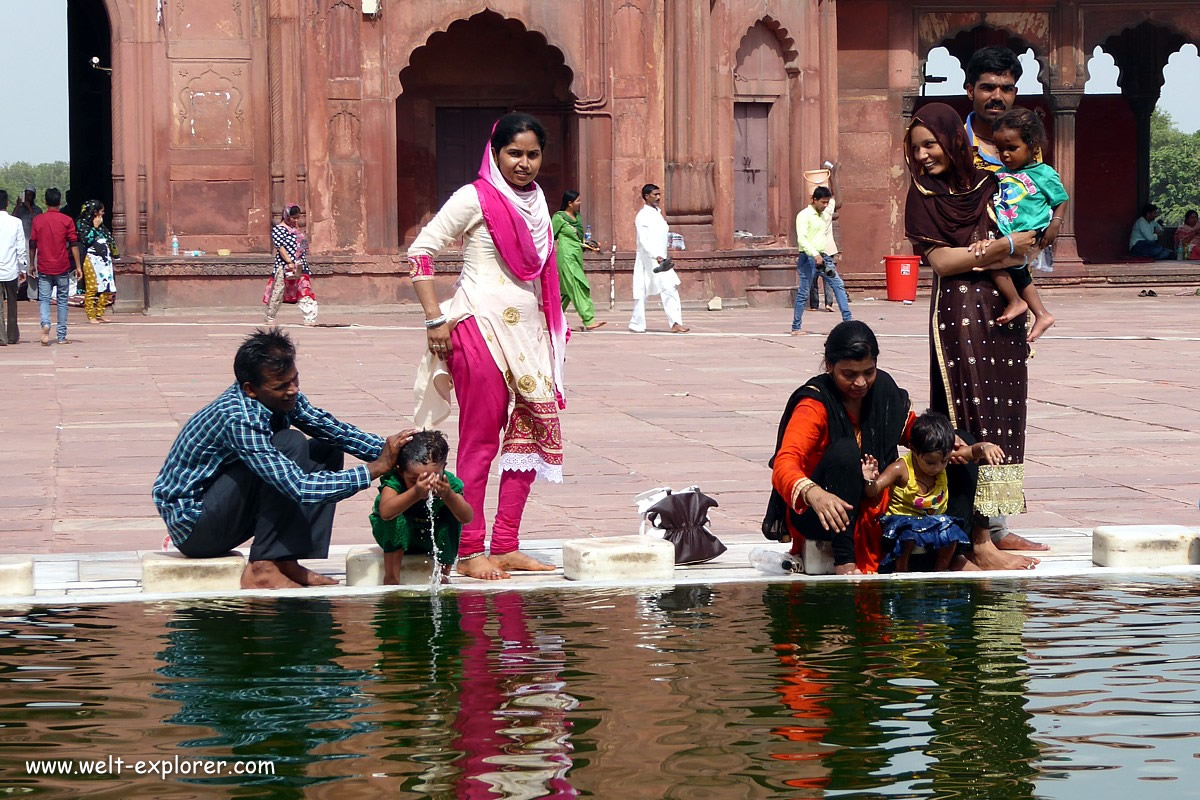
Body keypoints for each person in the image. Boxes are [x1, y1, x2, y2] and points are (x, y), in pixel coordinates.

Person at [407, 112, 565, 581]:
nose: (524, 163)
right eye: (514, 153)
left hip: (526, 333)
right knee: (480, 443)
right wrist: (435, 318)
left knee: (533, 436)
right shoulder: (474, 197)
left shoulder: (538, 203)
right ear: (495, 153)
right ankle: (471, 548)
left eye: (532, 154)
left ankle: (507, 543)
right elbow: (420, 251)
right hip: (479, 327)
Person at [152, 327, 415, 589]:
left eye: (294, 380)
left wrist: (401, 454)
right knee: (289, 443)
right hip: (196, 528)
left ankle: (287, 561)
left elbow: (336, 431)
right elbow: (297, 487)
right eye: (281, 386)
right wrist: (373, 469)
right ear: (250, 389)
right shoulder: (239, 417)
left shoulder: (282, 397)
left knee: (327, 449)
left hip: (223, 513)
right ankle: (263, 568)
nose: (292, 391)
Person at [903, 102, 1043, 568]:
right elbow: (942, 262)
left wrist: (1006, 248)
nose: (923, 155)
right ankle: (973, 540)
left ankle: (994, 527)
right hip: (959, 312)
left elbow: (1031, 240)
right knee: (969, 416)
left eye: (931, 143)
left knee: (1006, 418)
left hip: (1003, 311)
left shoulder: (990, 183)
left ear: (953, 140)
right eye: (916, 146)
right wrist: (1000, 248)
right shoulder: (922, 194)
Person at [765, 321, 915, 574]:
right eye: (849, 374)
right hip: (822, 513)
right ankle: (844, 562)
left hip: (873, 501)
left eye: (869, 372)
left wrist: (960, 444)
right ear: (830, 366)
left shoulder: (884, 391)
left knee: (950, 444)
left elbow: (912, 430)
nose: (860, 383)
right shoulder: (815, 403)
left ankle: (974, 547)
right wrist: (815, 494)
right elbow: (785, 463)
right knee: (845, 451)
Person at [862, 411, 1003, 572]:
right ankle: (901, 571)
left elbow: (971, 452)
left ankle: (940, 570)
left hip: (934, 522)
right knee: (908, 534)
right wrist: (870, 479)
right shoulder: (900, 469)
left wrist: (985, 447)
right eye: (930, 463)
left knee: (952, 531)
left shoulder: (941, 456)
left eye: (943, 462)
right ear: (914, 450)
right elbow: (872, 491)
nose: (937, 468)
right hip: (904, 523)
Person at [990, 107, 1063, 342]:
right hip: (1010, 234)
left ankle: (1016, 302)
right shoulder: (1000, 173)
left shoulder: (1043, 173)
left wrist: (1055, 224)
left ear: (1032, 146)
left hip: (1032, 234)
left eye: (1012, 148)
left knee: (990, 262)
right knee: (1018, 273)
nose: (1006, 155)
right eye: (1001, 149)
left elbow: (1061, 199)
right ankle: (1041, 313)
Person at [369, 429, 473, 584]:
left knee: (451, 514)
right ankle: (391, 578)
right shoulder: (394, 481)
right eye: (413, 480)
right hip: (393, 538)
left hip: (428, 540)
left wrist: (449, 496)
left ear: (443, 467)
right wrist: (415, 493)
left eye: (432, 477)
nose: (424, 484)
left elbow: (466, 517)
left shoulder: (447, 483)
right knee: (397, 518)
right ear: (400, 470)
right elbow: (386, 512)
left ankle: (444, 575)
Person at [791, 186, 851, 336]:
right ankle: (796, 326)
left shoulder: (823, 215)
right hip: (808, 258)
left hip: (823, 258)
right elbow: (802, 239)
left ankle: (848, 321)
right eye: (823, 202)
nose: (825, 205)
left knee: (838, 284)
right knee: (804, 292)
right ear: (814, 200)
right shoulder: (804, 215)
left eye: (827, 202)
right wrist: (814, 254)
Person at [630, 184, 688, 333]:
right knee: (641, 291)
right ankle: (637, 323)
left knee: (669, 288)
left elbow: (659, 235)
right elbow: (644, 240)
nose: (658, 197)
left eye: (659, 194)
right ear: (646, 196)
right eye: (655, 194)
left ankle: (675, 322)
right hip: (649, 258)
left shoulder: (657, 214)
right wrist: (656, 255)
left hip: (660, 259)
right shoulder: (643, 216)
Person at [28, 188, 81, 346]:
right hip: (62, 266)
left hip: (44, 266)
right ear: (60, 202)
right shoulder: (67, 221)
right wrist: (78, 266)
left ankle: (45, 323)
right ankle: (61, 336)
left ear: (45, 202)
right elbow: (73, 244)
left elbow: (32, 244)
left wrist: (32, 263)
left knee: (44, 298)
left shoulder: (38, 220)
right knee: (62, 300)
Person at [552, 190, 605, 330]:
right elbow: (550, 236)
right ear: (569, 203)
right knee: (578, 285)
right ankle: (588, 319)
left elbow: (580, 239)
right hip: (566, 257)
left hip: (577, 256)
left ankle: (552, 320)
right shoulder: (559, 218)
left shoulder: (578, 218)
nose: (580, 203)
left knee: (565, 292)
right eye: (578, 200)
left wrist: (591, 245)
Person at [263, 204, 319, 325]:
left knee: (304, 290)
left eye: (297, 218)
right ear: (286, 216)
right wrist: (289, 261)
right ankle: (270, 316)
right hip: (284, 265)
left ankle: (309, 317)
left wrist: (300, 236)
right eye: (294, 218)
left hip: (300, 264)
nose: (296, 220)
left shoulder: (298, 231)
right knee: (278, 291)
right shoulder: (278, 230)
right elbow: (280, 248)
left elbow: (304, 246)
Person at [76, 199, 118, 324]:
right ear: (95, 212)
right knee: (92, 287)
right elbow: (86, 240)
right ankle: (91, 315)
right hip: (91, 259)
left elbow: (108, 239)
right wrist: (94, 227)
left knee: (107, 286)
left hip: (104, 260)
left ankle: (100, 313)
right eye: (101, 211)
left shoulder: (102, 226)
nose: (103, 214)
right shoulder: (82, 224)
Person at [808, 164, 843, 313]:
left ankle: (817, 304)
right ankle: (826, 303)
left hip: (820, 249)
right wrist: (834, 176)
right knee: (824, 277)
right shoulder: (826, 209)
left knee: (816, 277)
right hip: (823, 249)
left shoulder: (813, 212)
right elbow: (838, 201)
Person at [0, 190, 29, 345]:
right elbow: (21, 248)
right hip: (11, 269)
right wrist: (22, 269)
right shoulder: (15, 222)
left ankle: (1, 336)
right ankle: (12, 335)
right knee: (12, 303)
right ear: (7, 204)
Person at [12, 186, 40, 302]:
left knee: (32, 268)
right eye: (26, 194)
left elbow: (38, 221)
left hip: (31, 240)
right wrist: (18, 206)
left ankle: (32, 295)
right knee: (18, 267)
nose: (28, 197)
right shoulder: (19, 209)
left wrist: (29, 208)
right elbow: (11, 219)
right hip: (20, 241)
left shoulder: (37, 209)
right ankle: (14, 294)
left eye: (30, 195)